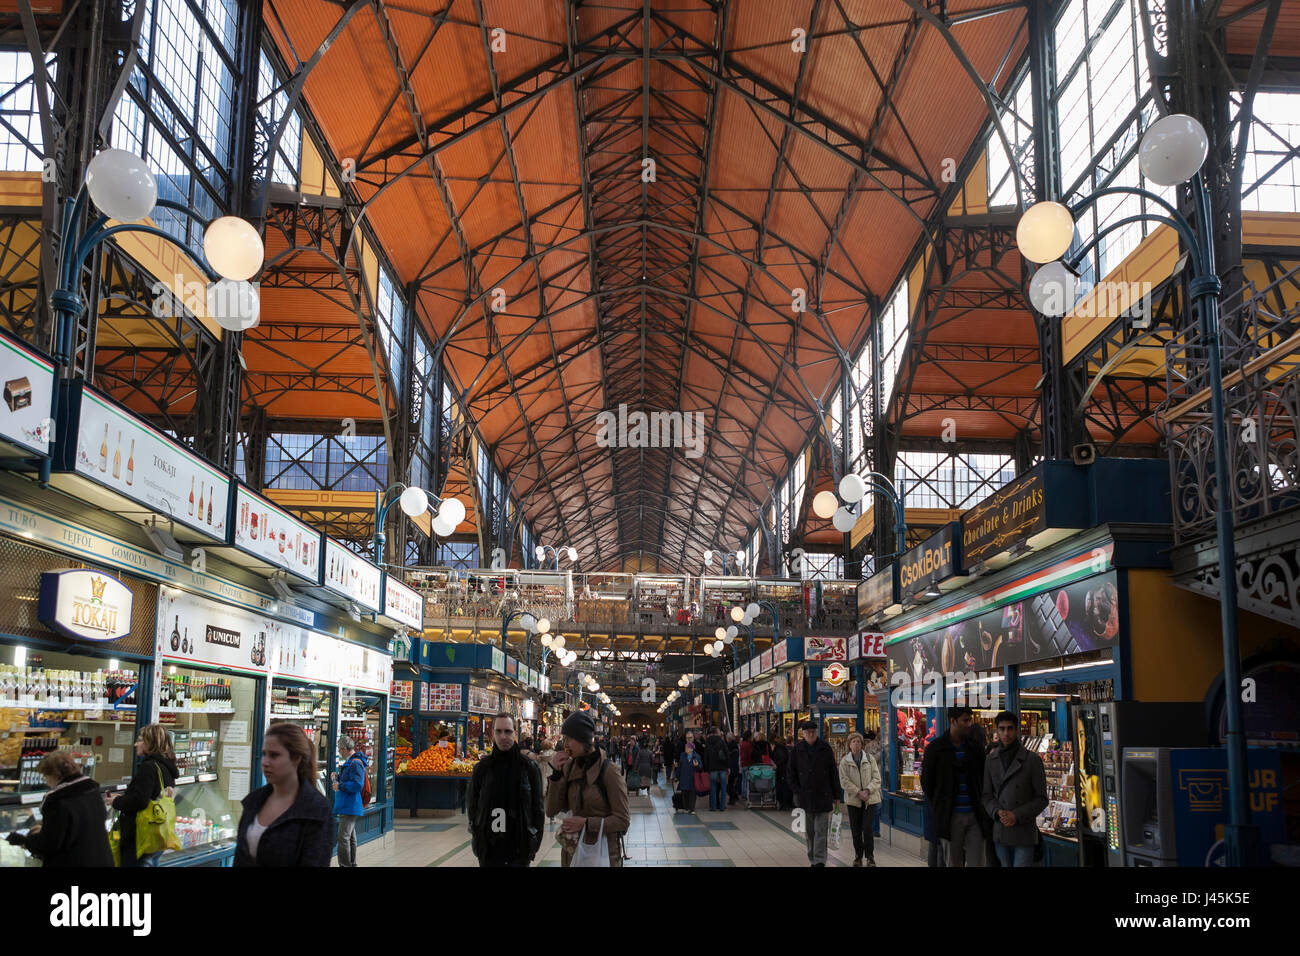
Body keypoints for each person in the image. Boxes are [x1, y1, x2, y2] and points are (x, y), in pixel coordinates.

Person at [235, 722, 332, 867]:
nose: (265, 762)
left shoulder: (316, 809)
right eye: (264, 754)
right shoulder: (253, 802)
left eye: (274, 755)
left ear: (296, 758)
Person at [545, 711, 630, 866]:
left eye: (569, 738)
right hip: (573, 854)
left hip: (603, 854)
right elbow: (551, 811)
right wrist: (557, 775)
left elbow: (623, 821)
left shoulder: (609, 771)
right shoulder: (570, 767)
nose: (566, 744)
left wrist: (586, 823)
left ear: (583, 739)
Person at [6, 751, 112, 867]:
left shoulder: (58, 800)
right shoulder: (92, 790)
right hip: (100, 858)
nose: (46, 781)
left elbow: (49, 843)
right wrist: (45, 829)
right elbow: (76, 827)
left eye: (45, 776)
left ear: (55, 775)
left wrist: (24, 841)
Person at [466, 713, 545, 867]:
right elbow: (473, 806)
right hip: (490, 849)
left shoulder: (528, 768)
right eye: (499, 731)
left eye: (508, 731)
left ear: (515, 733)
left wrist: (535, 842)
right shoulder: (482, 769)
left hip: (519, 846)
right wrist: (478, 837)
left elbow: (538, 807)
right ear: (493, 734)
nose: (503, 736)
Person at [920, 706, 991, 867]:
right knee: (953, 861)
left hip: (975, 815)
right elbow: (927, 783)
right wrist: (941, 803)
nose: (969, 724)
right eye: (965, 720)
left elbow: (983, 779)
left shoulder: (975, 749)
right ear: (953, 721)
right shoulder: (936, 749)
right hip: (950, 815)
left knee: (978, 860)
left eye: (969, 720)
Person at [982, 711, 1048, 867]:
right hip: (1000, 830)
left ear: (1017, 730)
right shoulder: (991, 760)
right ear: (997, 730)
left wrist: (1016, 815)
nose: (1006, 733)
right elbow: (986, 795)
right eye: (1002, 729)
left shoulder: (1032, 760)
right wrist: (997, 812)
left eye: (1010, 728)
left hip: (1023, 832)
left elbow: (1042, 798)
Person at [109, 723, 179, 866]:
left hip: (141, 837)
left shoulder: (149, 768)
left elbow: (139, 801)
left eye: (140, 740)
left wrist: (116, 801)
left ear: (150, 743)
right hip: (157, 836)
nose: (136, 744)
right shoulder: (166, 767)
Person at [788, 719, 841, 866]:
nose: (810, 734)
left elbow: (833, 773)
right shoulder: (797, 750)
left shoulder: (825, 748)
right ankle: (812, 857)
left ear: (816, 733)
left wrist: (837, 795)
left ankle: (819, 860)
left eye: (813, 732)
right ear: (803, 734)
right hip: (805, 797)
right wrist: (797, 791)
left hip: (823, 796)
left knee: (821, 830)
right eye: (807, 732)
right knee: (809, 832)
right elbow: (791, 773)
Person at [838, 732, 882, 866]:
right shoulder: (845, 761)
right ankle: (858, 856)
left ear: (862, 744)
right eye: (853, 742)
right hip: (853, 801)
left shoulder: (870, 759)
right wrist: (858, 792)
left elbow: (877, 778)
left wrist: (868, 790)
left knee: (867, 828)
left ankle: (870, 856)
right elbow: (844, 781)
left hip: (870, 800)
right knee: (856, 830)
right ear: (849, 745)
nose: (856, 744)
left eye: (858, 742)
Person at [331, 734, 368, 867]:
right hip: (348, 805)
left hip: (350, 805)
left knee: (343, 838)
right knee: (350, 838)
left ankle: (345, 865)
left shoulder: (355, 763)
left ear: (345, 748)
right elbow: (351, 780)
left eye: (340, 750)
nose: (340, 752)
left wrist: (340, 785)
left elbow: (358, 785)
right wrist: (338, 777)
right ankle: (352, 864)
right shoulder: (352, 762)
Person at [703, 726, 729, 811]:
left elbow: (705, 756)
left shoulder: (708, 742)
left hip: (712, 768)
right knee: (723, 787)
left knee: (713, 788)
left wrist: (707, 769)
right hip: (722, 768)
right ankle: (722, 806)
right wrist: (728, 766)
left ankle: (713, 807)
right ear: (717, 732)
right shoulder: (721, 741)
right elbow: (727, 753)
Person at [674, 740, 703, 814]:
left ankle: (692, 809)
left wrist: (697, 766)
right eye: (685, 747)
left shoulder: (697, 756)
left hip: (692, 778)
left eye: (687, 748)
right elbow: (679, 767)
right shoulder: (682, 755)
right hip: (684, 778)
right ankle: (686, 808)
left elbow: (700, 768)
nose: (685, 749)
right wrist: (676, 776)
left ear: (691, 749)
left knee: (692, 794)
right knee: (685, 793)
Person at [865, 731, 883, 837]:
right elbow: (872, 761)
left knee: (878, 805)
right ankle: (874, 828)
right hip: (874, 779)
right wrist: (881, 752)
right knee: (877, 805)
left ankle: (875, 828)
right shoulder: (871, 746)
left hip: (885, 778)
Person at [770, 735, 793, 810]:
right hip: (783, 771)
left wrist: (776, 764)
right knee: (784, 787)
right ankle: (784, 803)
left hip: (782, 771)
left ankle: (784, 804)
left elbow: (783, 758)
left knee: (783, 787)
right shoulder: (782, 748)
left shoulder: (779, 749)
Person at [726, 732, 741, 804]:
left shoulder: (730, 746)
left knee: (728, 785)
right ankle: (732, 800)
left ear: (728, 738)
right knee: (731, 784)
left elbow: (729, 757)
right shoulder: (736, 745)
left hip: (731, 768)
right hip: (735, 768)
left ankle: (734, 796)